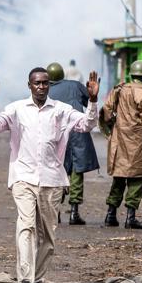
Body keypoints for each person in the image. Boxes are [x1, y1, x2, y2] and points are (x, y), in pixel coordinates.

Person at [0, 68, 99, 283]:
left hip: (52, 180)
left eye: (45, 83)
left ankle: (37, 280)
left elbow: (87, 124)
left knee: (47, 234)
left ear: (49, 85)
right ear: (29, 85)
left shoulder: (62, 110)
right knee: (25, 226)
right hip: (23, 178)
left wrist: (93, 100)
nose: (41, 87)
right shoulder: (17, 109)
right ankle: (25, 278)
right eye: (37, 83)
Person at [101, 60, 142, 229]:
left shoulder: (119, 89)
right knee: (136, 179)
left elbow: (106, 112)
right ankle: (130, 218)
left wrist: (111, 126)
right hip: (138, 142)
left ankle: (110, 215)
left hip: (119, 139)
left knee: (119, 178)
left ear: (132, 75)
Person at [47, 62, 100, 225]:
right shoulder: (75, 85)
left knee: (56, 172)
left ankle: (54, 211)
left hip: (57, 134)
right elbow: (88, 101)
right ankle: (74, 213)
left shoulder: (44, 91)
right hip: (77, 131)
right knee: (77, 171)